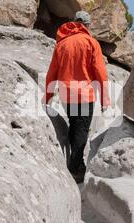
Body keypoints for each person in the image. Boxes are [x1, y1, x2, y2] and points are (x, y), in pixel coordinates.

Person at [43, 11, 110, 184]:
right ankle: (75, 169)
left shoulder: (62, 44)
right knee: (81, 130)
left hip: (66, 94)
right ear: (87, 25)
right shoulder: (91, 42)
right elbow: (101, 73)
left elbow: (52, 72)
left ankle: (75, 163)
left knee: (74, 126)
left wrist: (48, 96)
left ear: (74, 23)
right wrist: (105, 99)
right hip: (84, 94)